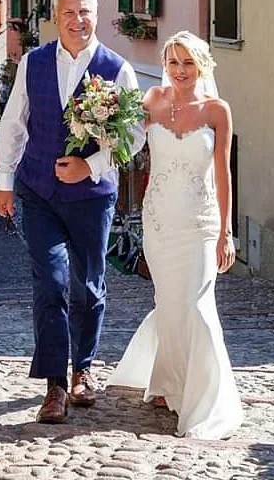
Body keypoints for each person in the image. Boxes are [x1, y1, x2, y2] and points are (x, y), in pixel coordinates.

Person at [0, 0, 144, 424]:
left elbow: (132, 135)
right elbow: (15, 121)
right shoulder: (34, 63)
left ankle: (84, 369)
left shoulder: (117, 68)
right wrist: (4, 180)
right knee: (51, 284)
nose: (79, 21)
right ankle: (54, 385)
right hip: (39, 192)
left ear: (96, 15)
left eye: (86, 12)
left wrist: (91, 165)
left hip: (92, 198)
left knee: (88, 285)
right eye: (69, 14)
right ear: (55, 19)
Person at [107, 31, 243, 439]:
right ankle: (168, 383)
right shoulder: (150, 102)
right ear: (164, 65)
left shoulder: (217, 110)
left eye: (188, 63)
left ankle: (203, 400)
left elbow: (223, 173)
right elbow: (125, 144)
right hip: (159, 221)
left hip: (201, 224)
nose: (180, 71)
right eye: (173, 62)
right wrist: (98, 121)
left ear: (202, 66)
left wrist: (227, 232)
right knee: (168, 302)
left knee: (198, 307)